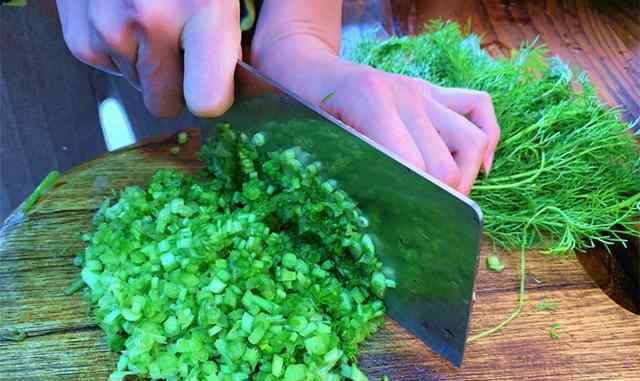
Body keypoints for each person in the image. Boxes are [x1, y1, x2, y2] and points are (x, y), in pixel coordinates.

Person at [55, 0, 500, 195]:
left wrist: (296, 39)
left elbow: (297, 26)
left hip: (229, 54)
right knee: (68, 166)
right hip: (43, 55)